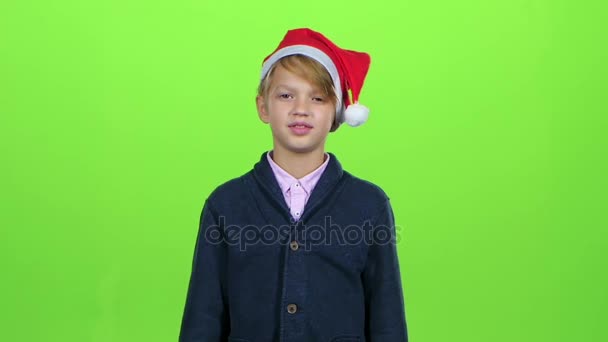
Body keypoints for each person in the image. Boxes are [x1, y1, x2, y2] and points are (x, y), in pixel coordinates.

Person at [179, 28, 408, 342]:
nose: (301, 108)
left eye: (317, 97)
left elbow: (387, 318)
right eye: (286, 95)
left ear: (337, 115)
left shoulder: (369, 204)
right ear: (263, 107)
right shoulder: (225, 204)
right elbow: (202, 317)